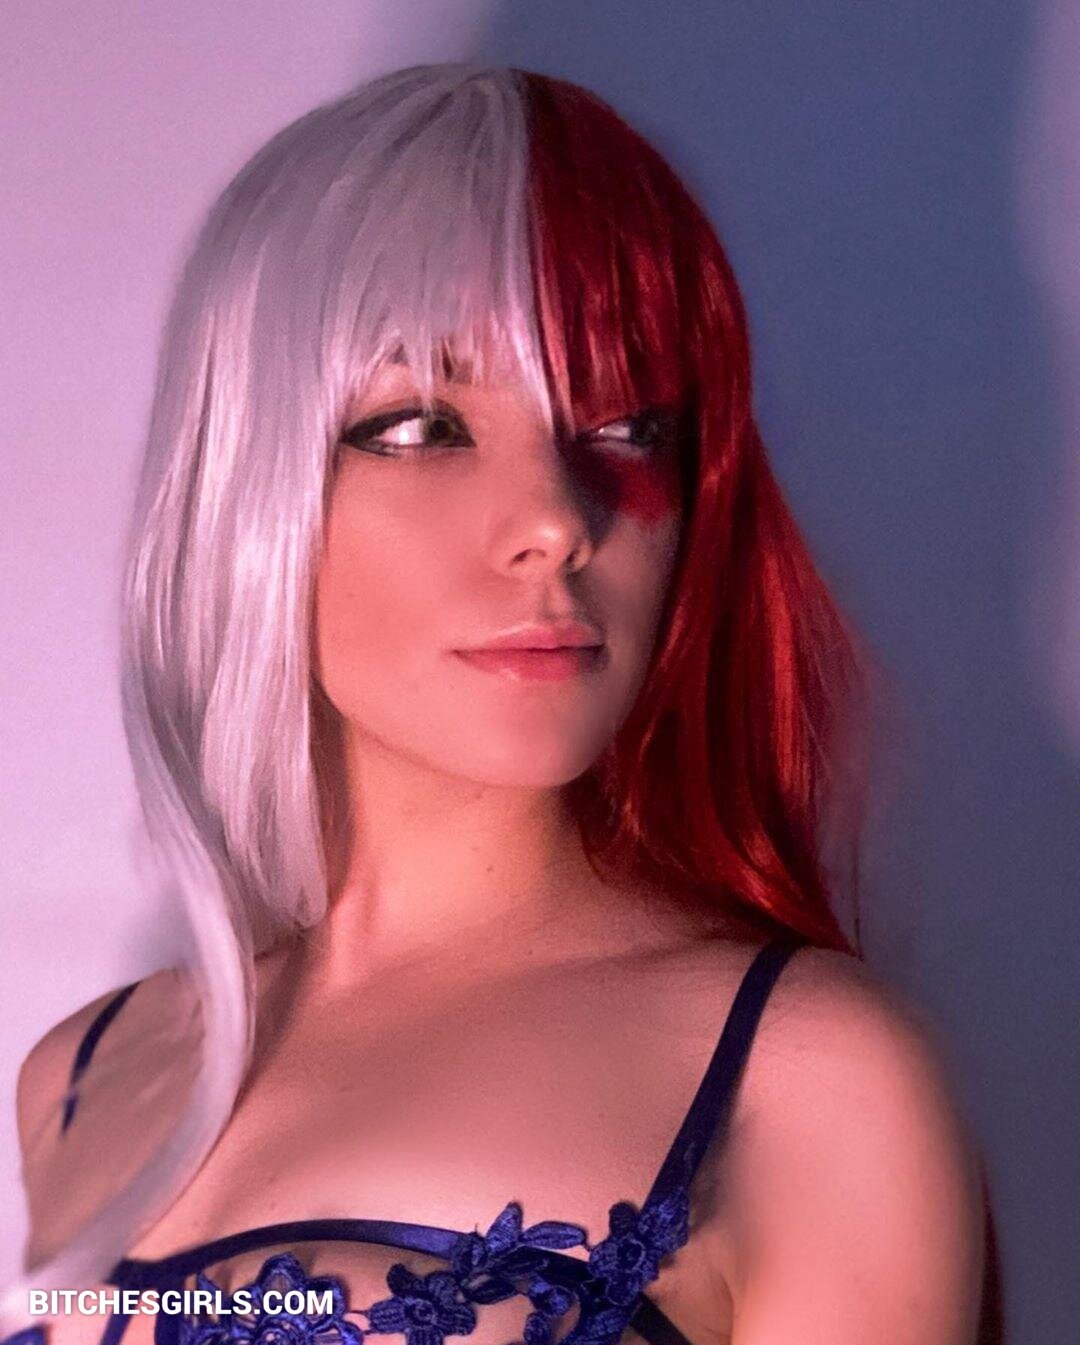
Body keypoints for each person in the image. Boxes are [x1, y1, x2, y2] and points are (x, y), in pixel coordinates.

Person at [3, 62, 996, 1345]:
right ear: (244, 481)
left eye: (628, 427)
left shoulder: (806, 1077)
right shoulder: (83, 1075)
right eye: (422, 427)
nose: (555, 519)